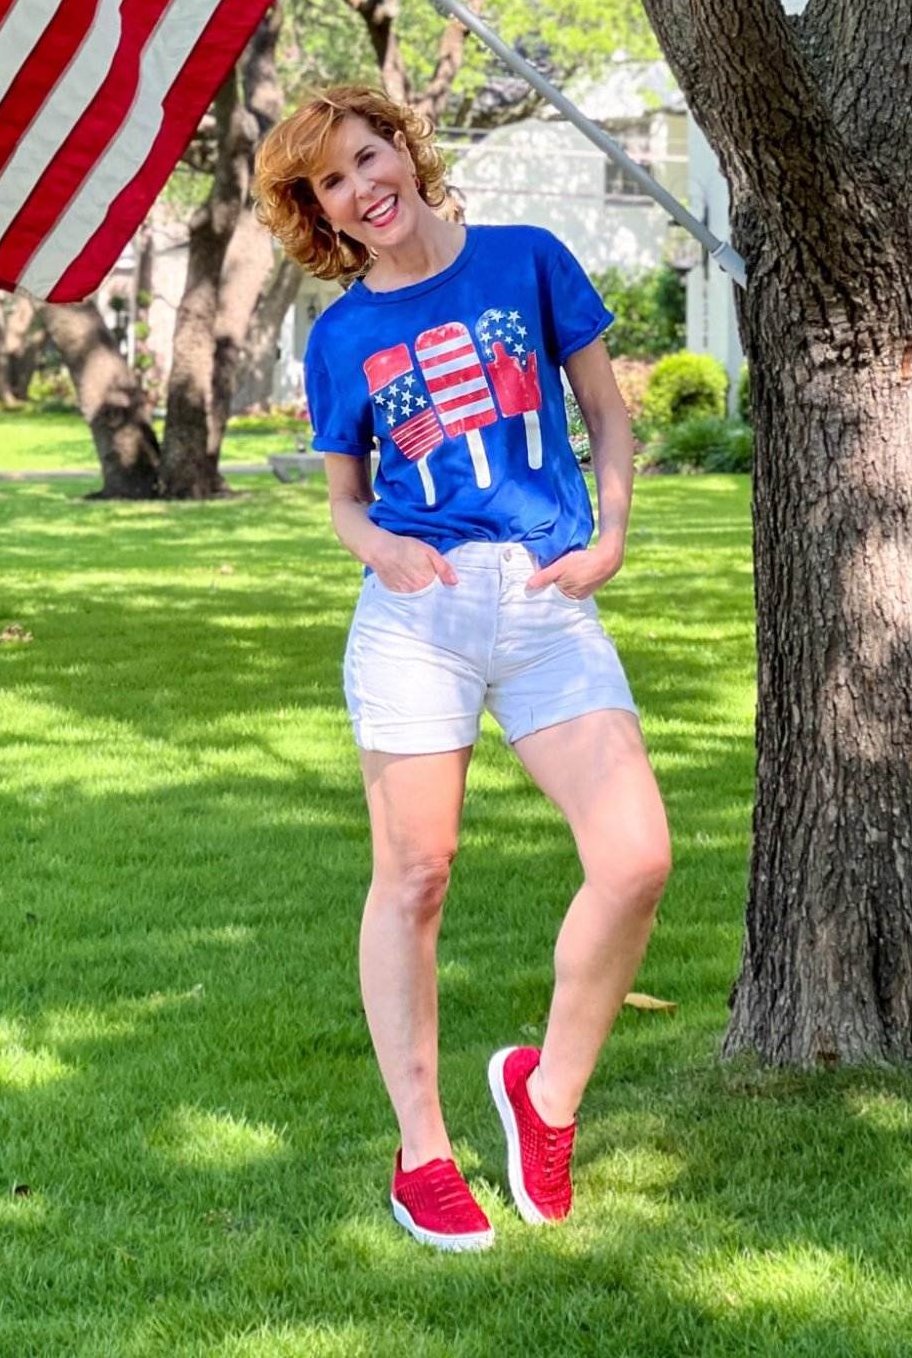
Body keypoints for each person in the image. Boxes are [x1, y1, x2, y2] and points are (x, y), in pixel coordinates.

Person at [253, 84, 670, 1252]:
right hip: (417, 616)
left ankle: (546, 1096)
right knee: (417, 873)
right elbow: (344, 497)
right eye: (328, 181)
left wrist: (613, 533)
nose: (358, 188)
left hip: (544, 597)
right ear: (317, 209)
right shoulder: (342, 334)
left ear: (406, 147)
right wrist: (381, 544)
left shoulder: (528, 259)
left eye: (367, 155)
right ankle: (423, 1151)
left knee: (636, 858)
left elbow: (606, 407)